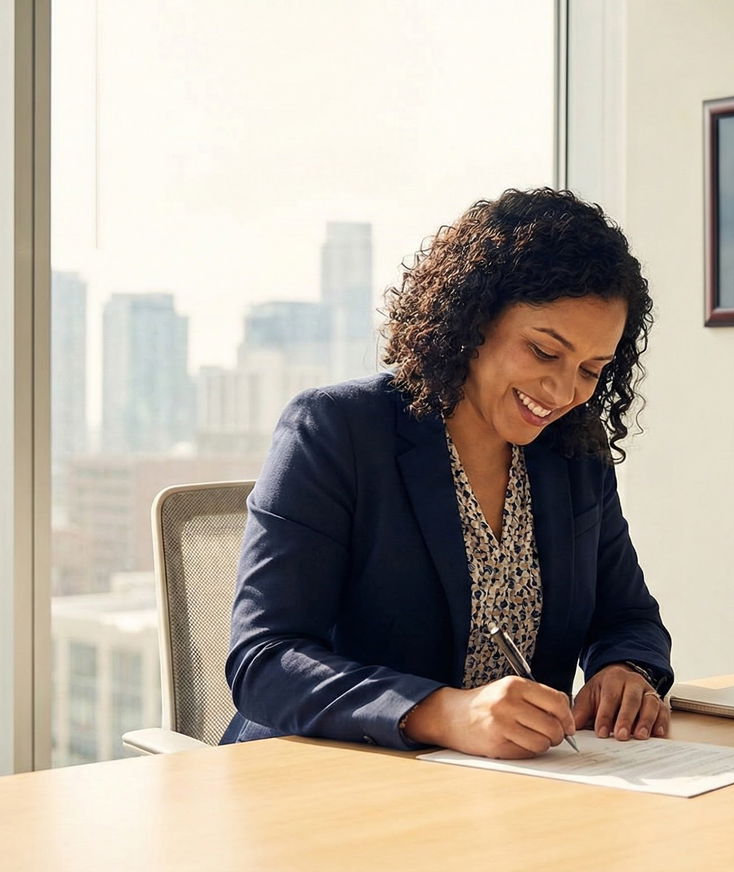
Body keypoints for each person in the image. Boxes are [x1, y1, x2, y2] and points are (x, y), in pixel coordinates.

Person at [222, 188, 672, 759]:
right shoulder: (336, 430)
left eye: (591, 369)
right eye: (542, 352)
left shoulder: (573, 453)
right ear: (475, 318)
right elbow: (265, 660)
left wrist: (625, 670)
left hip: (513, 791)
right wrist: (443, 712)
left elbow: (628, 616)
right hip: (329, 781)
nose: (564, 392)